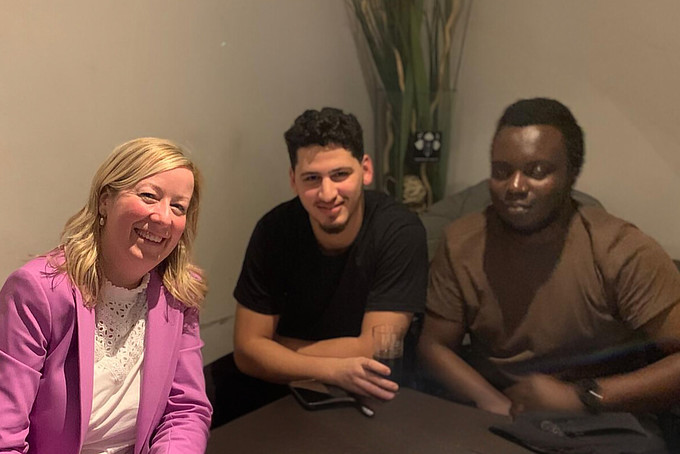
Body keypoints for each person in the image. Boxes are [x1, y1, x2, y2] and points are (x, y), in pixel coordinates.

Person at [418, 98, 680, 418]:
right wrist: (493, 403)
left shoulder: (621, 250)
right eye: (502, 171)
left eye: (537, 171)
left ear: (571, 175)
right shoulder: (462, 242)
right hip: (499, 411)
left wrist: (585, 397)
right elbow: (435, 345)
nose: (515, 186)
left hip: (603, 419)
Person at [0, 138, 212, 453]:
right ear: (104, 201)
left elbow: (186, 409)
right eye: (149, 196)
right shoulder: (36, 291)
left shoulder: (179, 291)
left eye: (178, 206)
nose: (164, 217)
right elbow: (6, 435)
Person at [225, 107, 427, 421]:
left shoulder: (399, 232)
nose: (327, 193)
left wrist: (275, 347)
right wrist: (332, 368)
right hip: (287, 393)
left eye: (340, 175)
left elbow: (374, 351)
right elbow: (247, 353)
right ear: (293, 180)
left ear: (366, 170)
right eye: (311, 178)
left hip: (372, 392)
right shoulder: (273, 230)